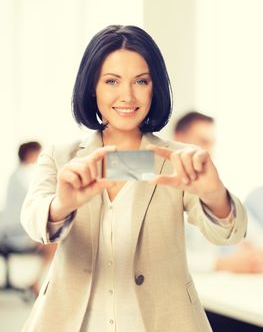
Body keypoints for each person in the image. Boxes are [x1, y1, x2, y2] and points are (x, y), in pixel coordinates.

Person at [20, 25, 247, 332]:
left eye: (141, 81)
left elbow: (228, 235)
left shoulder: (178, 160)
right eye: (112, 81)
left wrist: (215, 196)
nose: (127, 95)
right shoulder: (60, 157)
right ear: (92, 87)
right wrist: (61, 205)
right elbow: (34, 221)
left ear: (155, 88)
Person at [174, 112, 263, 273]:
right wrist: (222, 264)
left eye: (212, 143)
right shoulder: (155, 189)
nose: (209, 151)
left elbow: (251, 233)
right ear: (179, 139)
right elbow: (160, 257)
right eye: (203, 142)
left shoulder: (217, 188)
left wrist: (256, 255)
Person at [0, 142, 56, 292]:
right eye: (38, 153)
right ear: (30, 154)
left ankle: (37, 281)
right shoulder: (21, 177)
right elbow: (31, 209)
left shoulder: (20, 174)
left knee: (54, 241)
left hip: (16, 229)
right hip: (14, 233)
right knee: (54, 243)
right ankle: (37, 282)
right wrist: (36, 234)